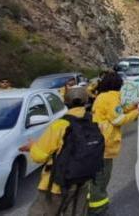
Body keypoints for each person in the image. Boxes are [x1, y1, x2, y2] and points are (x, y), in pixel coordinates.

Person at [20, 87, 96, 215]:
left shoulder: (59, 125)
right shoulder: (93, 121)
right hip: (83, 181)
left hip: (57, 183)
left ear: (66, 103)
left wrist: (32, 146)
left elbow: (40, 156)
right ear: (86, 101)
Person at [89, 72, 139, 214]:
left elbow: (117, 111)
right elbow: (118, 119)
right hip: (104, 145)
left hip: (97, 143)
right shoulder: (111, 97)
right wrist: (137, 112)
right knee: (101, 179)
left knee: (95, 178)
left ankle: (91, 205)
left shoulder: (102, 96)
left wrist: (133, 107)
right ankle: (98, 209)